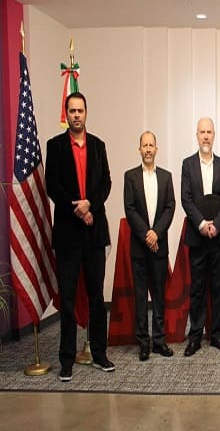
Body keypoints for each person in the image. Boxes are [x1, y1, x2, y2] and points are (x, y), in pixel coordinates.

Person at [45, 91, 114, 382]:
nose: (76, 115)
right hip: (68, 235)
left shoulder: (98, 146)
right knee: (69, 298)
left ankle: (100, 354)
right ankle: (67, 360)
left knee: (97, 296)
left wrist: (90, 205)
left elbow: (106, 183)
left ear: (86, 113)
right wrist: (78, 208)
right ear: (67, 114)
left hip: (94, 233)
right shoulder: (55, 146)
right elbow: (52, 185)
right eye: (72, 111)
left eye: (80, 110)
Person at [181, 117, 220, 357]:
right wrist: (202, 224)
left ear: (214, 135)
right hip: (197, 236)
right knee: (197, 289)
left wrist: (216, 225)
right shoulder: (187, 164)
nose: (205, 136)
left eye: (209, 132)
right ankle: (195, 337)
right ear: (197, 135)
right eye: (202, 132)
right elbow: (186, 199)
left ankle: (216, 335)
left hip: (217, 238)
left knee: (217, 287)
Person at [124, 131, 175, 361]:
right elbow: (130, 209)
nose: (147, 149)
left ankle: (159, 341)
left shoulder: (166, 177)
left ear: (156, 149)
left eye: (151, 145)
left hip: (159, 247)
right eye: (144, 145)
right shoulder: (130, 177)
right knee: (141, 298)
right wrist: (147, 234)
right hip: (139, 247)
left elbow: (170, 207)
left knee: (159, 296)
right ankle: (143, 343)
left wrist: (157, 233)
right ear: (139, 149)